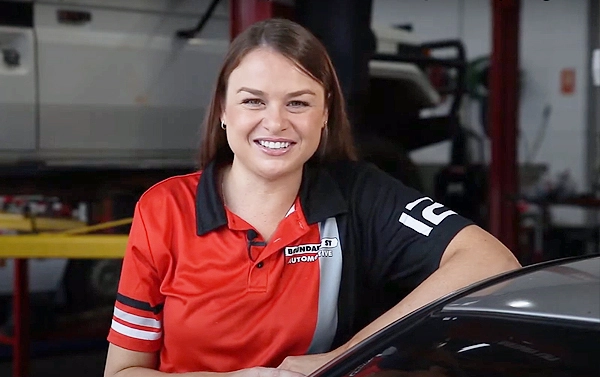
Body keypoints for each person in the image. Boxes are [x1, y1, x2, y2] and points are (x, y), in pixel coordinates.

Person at [103, 18, 520, 377]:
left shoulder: (358, 195)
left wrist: (341, 357)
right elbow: (122, 370)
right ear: (222, 111)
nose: (275, 122)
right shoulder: (165, 208)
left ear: (325, 114)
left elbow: (493, 261)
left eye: (298, 103)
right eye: (253, 101)